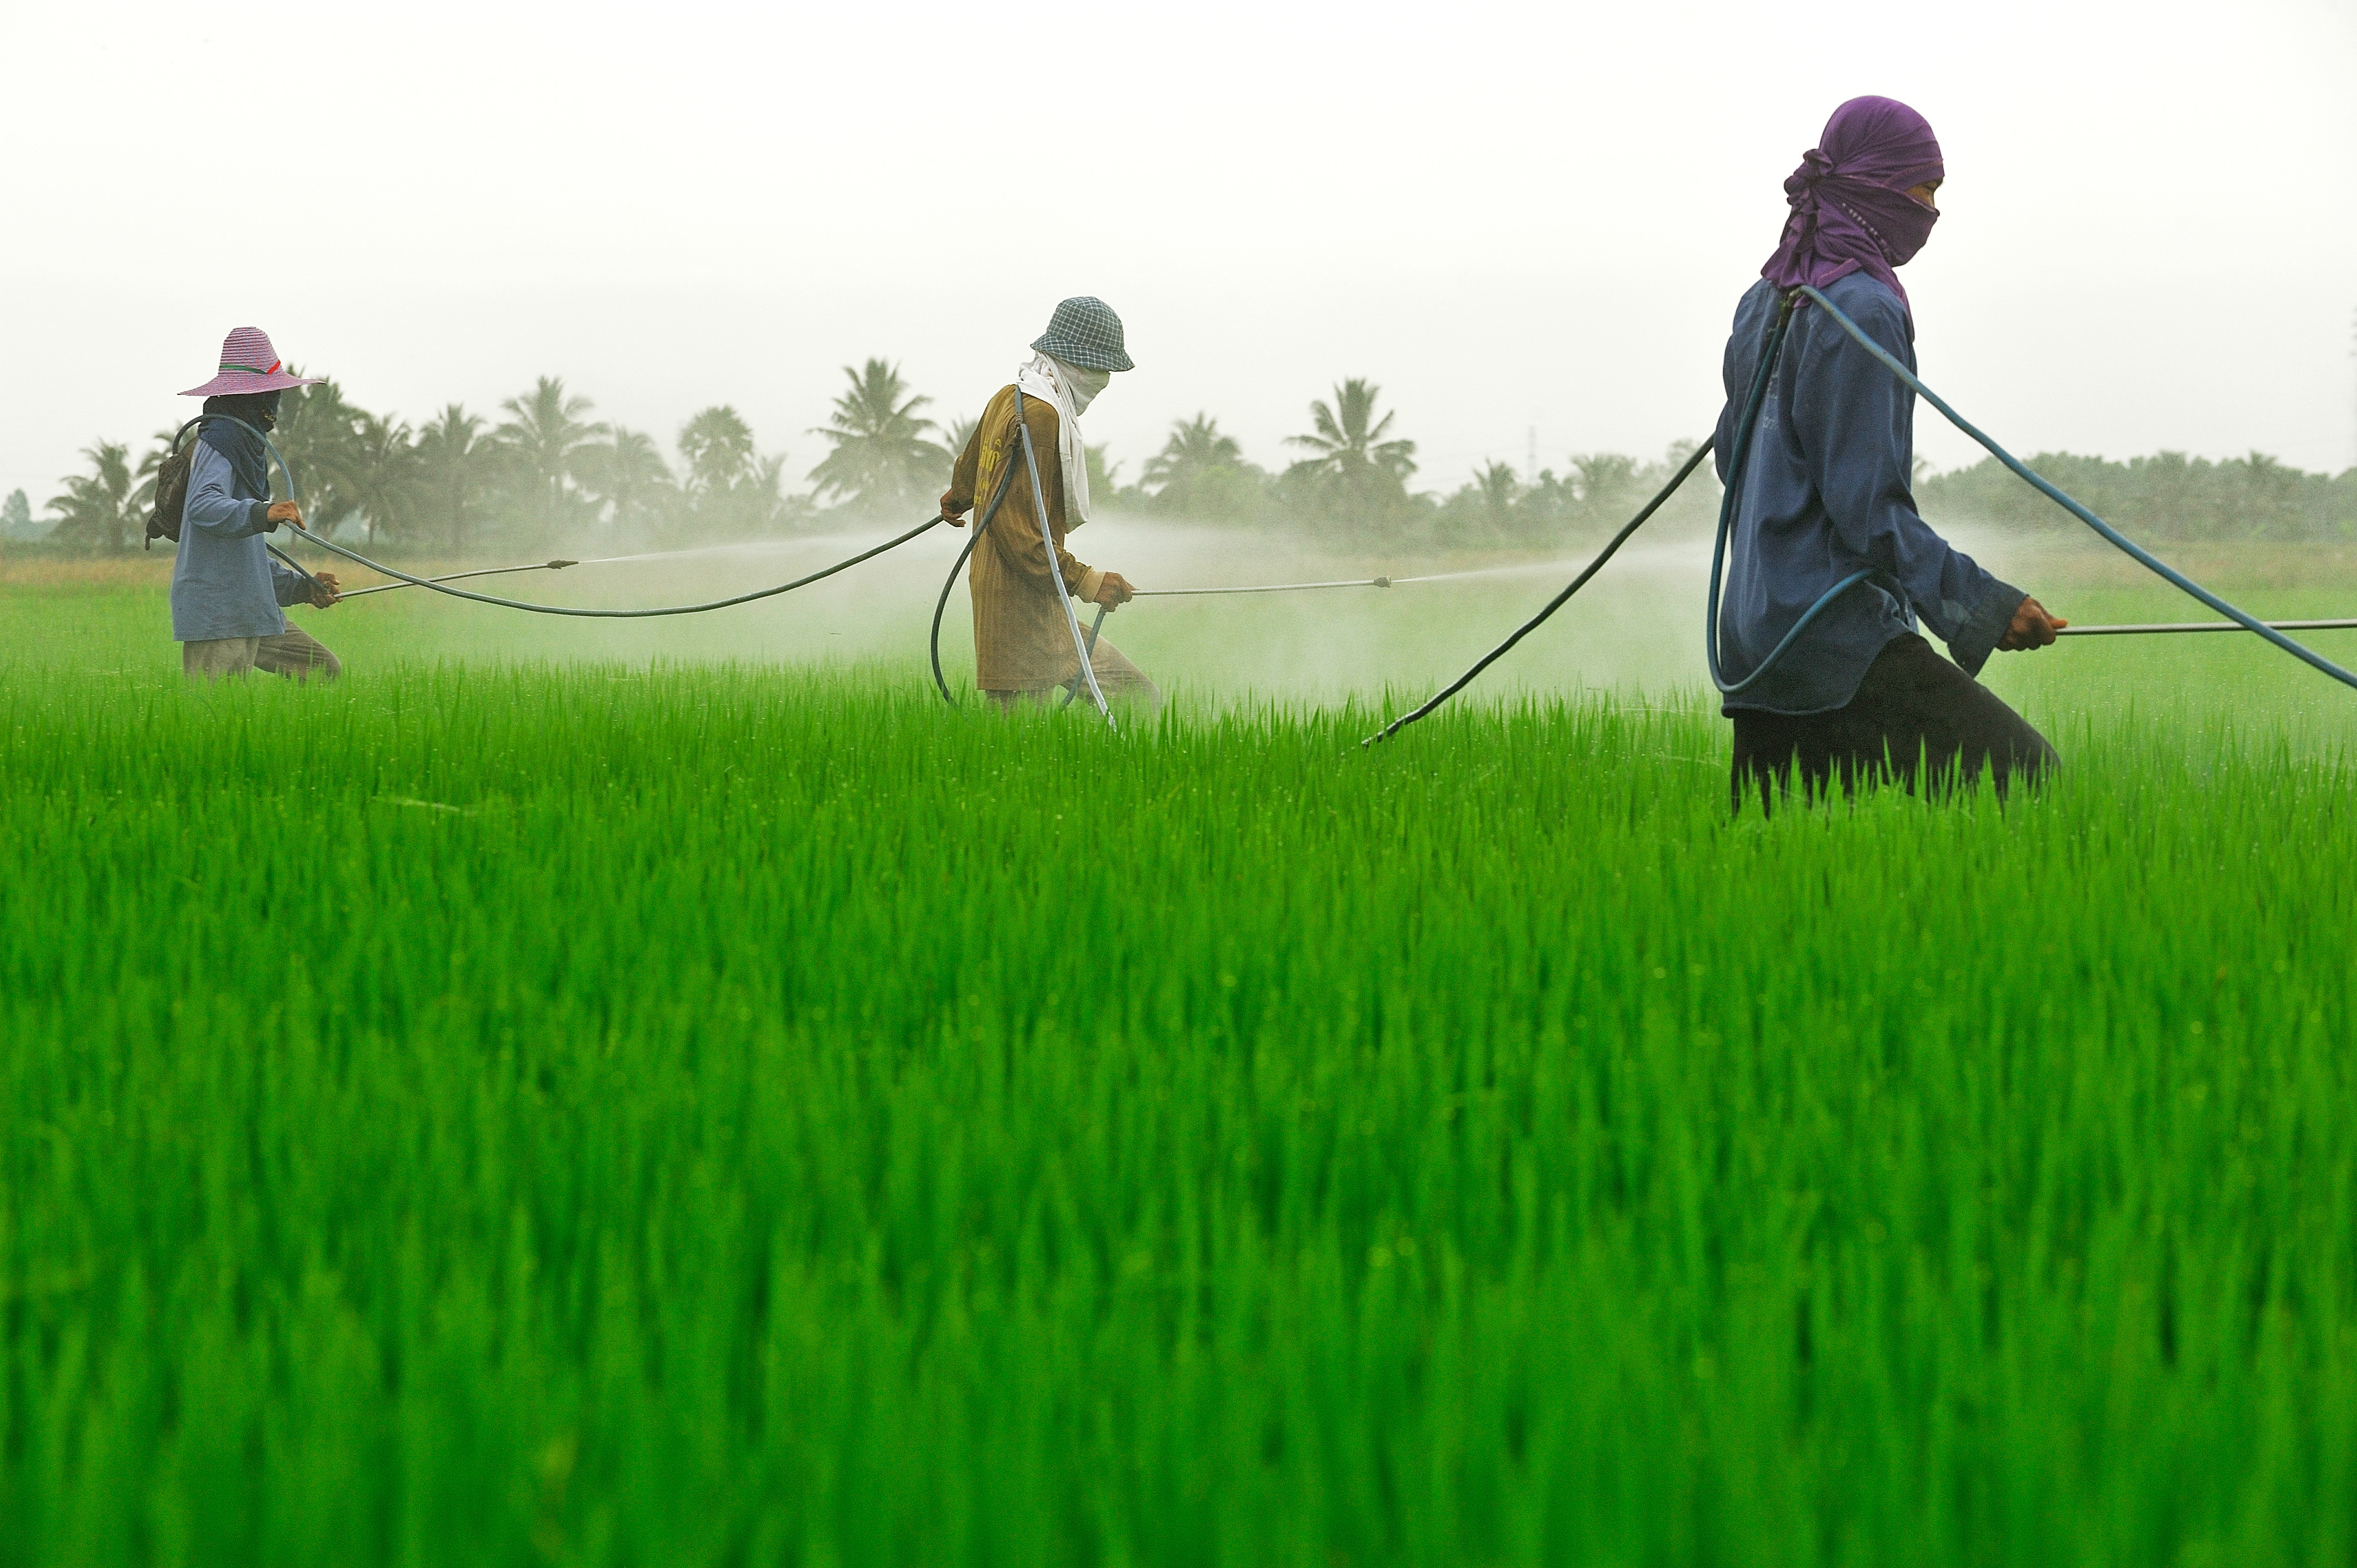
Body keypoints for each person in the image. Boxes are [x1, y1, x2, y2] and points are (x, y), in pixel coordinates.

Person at [1717, 97, 2062, 813]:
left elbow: (1732, 462)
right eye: (1922, 189)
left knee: (1776, 865)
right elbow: (1868, 510)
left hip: (1754, 640)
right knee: (2026, 779)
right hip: (1831, 634)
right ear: (1874, 182)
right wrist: (1987, 607)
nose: (1930, 211)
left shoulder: (1763, 299)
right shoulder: (1866, 308)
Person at [939, 297, 1159, 713]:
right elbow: (1016, 529)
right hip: (1019, 599)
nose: (1104, 379)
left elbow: (972, 468)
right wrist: (1087, 581)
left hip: (1027, 596)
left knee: (1135, 699)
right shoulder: (1042, 417)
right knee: (1020, 737)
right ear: (1075, 365)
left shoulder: (1011, 397)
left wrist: (960, 495)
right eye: (1100, 368)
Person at [173, 327, 343, 681]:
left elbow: (245, 556)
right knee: (218, 719)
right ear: (250, 397)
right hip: (220, 613)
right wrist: (264, 511)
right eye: (270, 392)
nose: (274, 404)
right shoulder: (219, 439)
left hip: (252, 607)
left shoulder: (246, 449)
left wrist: (302, 587)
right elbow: (203, 506)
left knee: (321, 669)